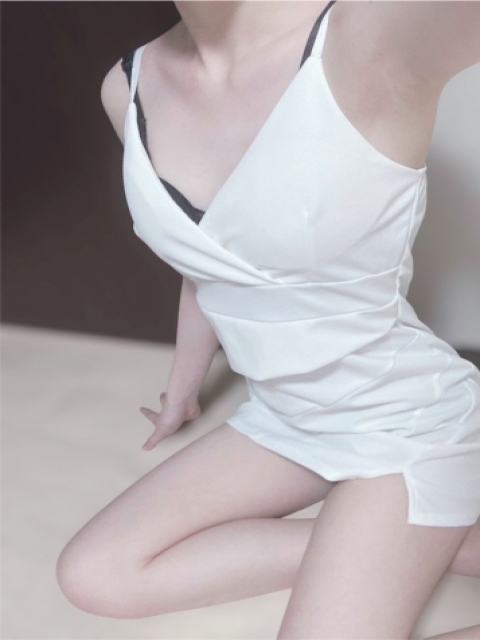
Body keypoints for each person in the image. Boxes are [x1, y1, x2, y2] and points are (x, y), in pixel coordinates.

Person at [57, 2, 480, 638]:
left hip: (402, 425)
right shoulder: (127, 85)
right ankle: (431, 550)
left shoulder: (368, 35)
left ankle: (397, 542)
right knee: (94, 574)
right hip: (286, 417)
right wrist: (182, 386)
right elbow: (211, 256)